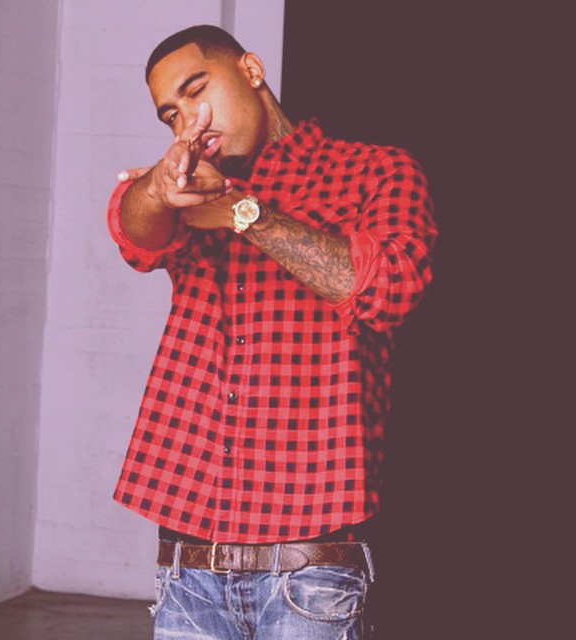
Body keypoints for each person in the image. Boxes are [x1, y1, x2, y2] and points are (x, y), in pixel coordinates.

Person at [107, 24, 437, 640]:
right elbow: (133, 233)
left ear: (252, 71)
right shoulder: (187, 187)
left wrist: (244, 213)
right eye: (171, 114)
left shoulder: (376, 170)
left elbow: (387, 288)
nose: (189, 121)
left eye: (195, 90)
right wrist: (158, 186)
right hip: (188, 567)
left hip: (311, 569)